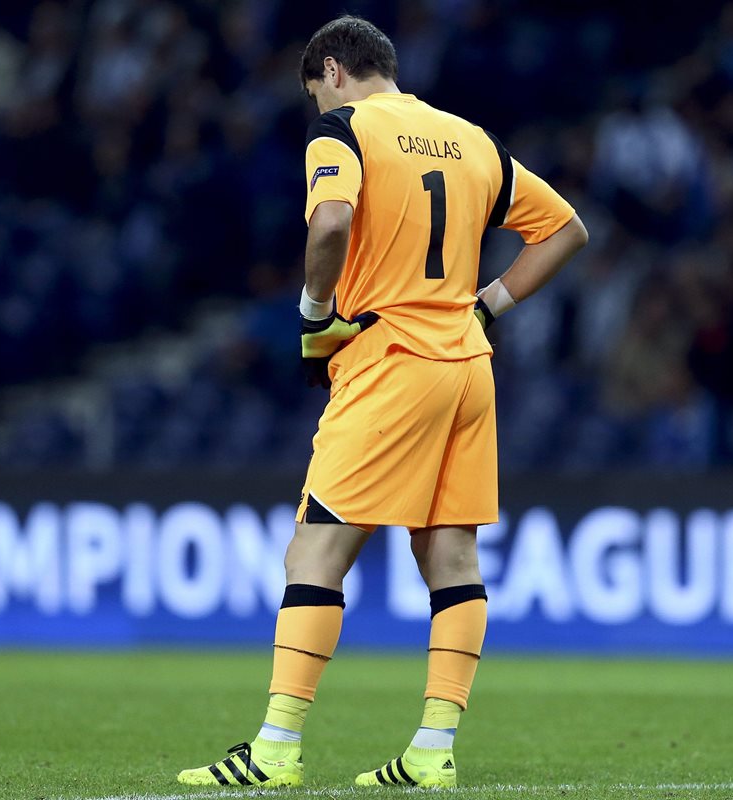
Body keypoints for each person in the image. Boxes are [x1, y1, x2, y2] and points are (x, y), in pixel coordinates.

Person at [177, 15, 588, 790]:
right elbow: (566, 228)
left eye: (312, 92)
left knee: (315, 552)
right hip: (468, 365)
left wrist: (311, 312)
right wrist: (486, 306)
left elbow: (331, 220)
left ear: (332, 70)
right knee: (451, 556)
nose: (314, 107)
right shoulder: (470, 140)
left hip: (390, 360)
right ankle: (433, 751)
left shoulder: (343, 130)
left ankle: (274, 750)